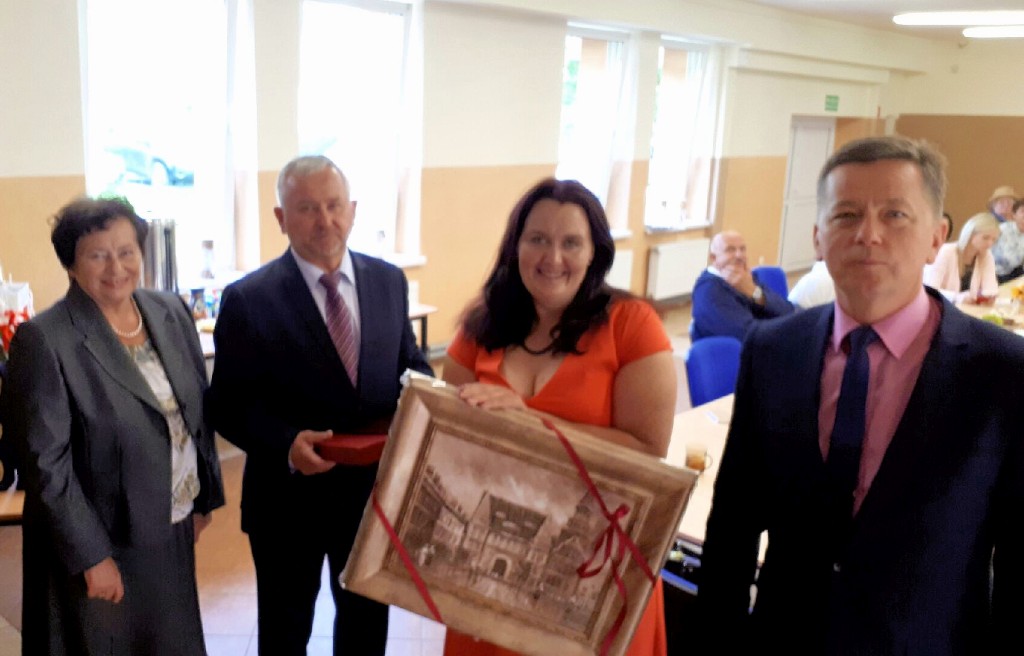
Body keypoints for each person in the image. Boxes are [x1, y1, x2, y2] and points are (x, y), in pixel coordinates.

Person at [696, 135, 1024, 654]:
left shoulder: (1004, 372)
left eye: (895, 215)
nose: (868, 234)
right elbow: (732, 527)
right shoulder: (773, 351)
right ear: (818, 238)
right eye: (846, 215)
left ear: (936, 238)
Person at [207, 155, 432, 656]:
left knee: (365, 631)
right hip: (288, 504)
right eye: (307, 208)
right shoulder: (249, 299)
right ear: (281, 218)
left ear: (352, 210)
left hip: (372, 499)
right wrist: (285, 443)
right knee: (285, 636)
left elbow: (411, 365)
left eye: (334, 205)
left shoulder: (388, 282)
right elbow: (226, 404)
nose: (324, 220)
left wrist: (429, 405)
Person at [441, 178, 677, 656]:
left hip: (598, 563)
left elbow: (648, 451)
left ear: (594, 253)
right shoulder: (479, 327)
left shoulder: (631, 324)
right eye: (537, 239)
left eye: (571, 242)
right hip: (487, 590)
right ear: (516, 247)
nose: (553, 258)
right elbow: (449, 440)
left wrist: (535, 425)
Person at [0, 196, 224, 655]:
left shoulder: (169, 312)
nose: (116, 268)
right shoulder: (46, 339)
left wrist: (202, 498)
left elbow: (196, 413)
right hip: (101, 539)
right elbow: (45, 464)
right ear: (71, 265)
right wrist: (91, 555)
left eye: (126, 252)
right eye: (97, 255)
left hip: (170, 526)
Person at [690, 230, 794, 341]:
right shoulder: (709, 290)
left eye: (742, 249)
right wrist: (787, 329)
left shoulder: (745, 277)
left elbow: (788, 310)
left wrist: (754, 292)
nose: (739, 255)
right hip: (747, 349)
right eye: (730, 250)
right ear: (713, 258)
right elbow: (746, 334)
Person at [923, 211, 1000, 303]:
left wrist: (990, 295)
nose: (990, 244)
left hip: (967, 308)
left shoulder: (986, 255)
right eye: (985, 238)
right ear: (970, 234)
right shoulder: (946, 252)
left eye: (994, 240)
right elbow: (930, 290)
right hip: (941, 306)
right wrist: (957, 297)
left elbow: (990, 288)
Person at [991, 199, 1024, 283]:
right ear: (1014, 215)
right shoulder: (1004, 230)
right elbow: (1010, 260)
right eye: (1023, 211)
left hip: (1016, 272)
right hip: (996, 275)